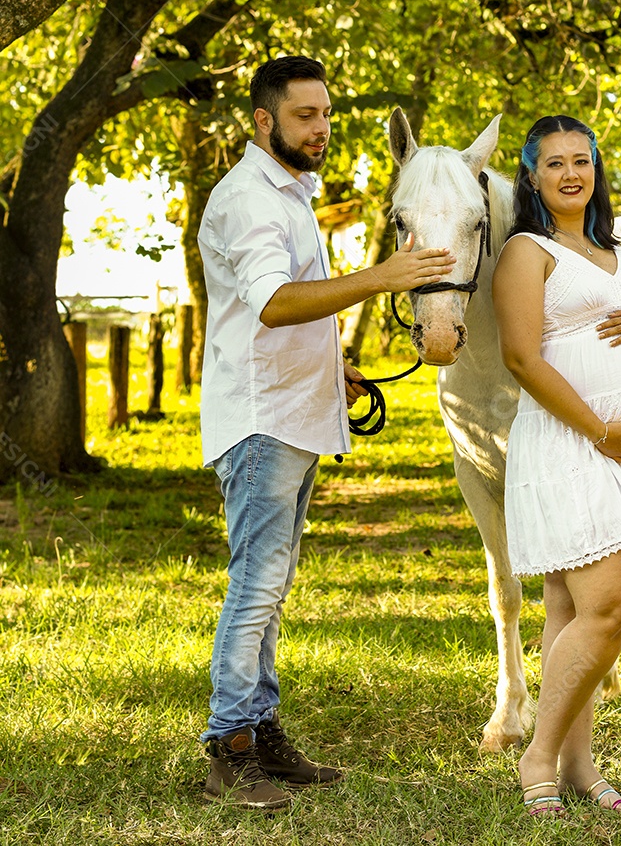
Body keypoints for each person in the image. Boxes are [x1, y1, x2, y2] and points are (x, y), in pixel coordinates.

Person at [197, 55, 456, 810]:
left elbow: (278, 311)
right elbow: (274, 302)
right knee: (256, 584)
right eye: (304, 115)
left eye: (327, 115)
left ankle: (260, 728)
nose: (320, 129)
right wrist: (384, 276)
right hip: (262, 420)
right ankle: (229, 748)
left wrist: (331, 363)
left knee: (270, 586)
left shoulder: (290, 192)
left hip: (294, 410)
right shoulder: (249, 197)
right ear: (264, 120)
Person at [492, 114, 621, 819]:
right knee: (610, 604)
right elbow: (522, 358)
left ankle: (577, 766)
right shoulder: (527, 251)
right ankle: (538, 756)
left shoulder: (614, 248)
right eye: (555, 163)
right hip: (572, 442)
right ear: (532, 176)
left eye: (582, 160)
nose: (571, 173)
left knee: (570, 608)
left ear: (596, 169)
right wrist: (600, 430)